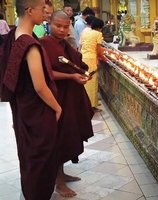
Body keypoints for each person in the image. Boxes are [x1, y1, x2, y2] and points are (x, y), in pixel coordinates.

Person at [0, 0, 61, 199]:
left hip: (24, 110)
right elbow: (40, 86)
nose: (46, 12)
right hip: (37, 112)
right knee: (41, 161)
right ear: (29, 10)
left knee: (29, 158)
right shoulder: (30, 45)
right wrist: (57, 107)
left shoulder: (13, 35)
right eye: (42, 9)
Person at [40, 10, 94, 198]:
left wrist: (79, 74)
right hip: (56, 99)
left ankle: (62, 174)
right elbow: (46, 74)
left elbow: (75, 64)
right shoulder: (44, 45)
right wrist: (71, 76)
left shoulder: (65, 44)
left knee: (68, 135)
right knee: (58, 139)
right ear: (49, 23)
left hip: (70, 96)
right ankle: (58, 183)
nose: (62, 30)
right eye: (58, 26)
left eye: (65, 26)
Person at [80, 18, 106, 111]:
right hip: (91, 60)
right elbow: (98, 50)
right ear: (100, 27)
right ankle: (91, 106)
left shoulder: (85, 32)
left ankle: (87, 103)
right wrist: (103, 58)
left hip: (83, 58)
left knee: (86, 82)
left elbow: (81, 46)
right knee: (92, 83)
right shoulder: (98, 34)